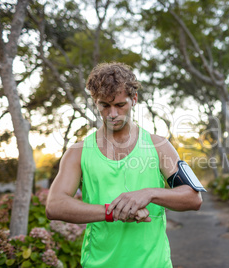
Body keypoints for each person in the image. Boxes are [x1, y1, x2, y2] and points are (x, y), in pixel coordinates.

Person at [46, 62, 204, 267]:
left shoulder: (159, 146)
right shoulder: (78, 152)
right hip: (98, 263)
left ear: (134, 99)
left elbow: (194, 198)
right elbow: (54, 205)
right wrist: (113, 212)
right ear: (95, 102)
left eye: (120, 105)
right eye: (104, 105)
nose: (112, 114)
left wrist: (149, 193)